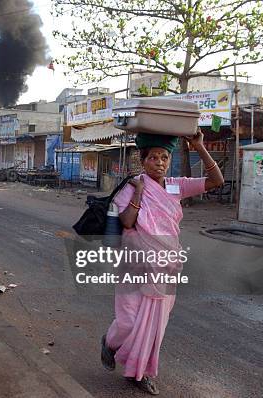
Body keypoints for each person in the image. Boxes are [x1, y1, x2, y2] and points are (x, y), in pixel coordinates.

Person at [100, 131, 224, 395]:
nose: (159, 162)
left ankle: (140, 373)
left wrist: (199, 146)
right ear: (143, 160)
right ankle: (110, 343)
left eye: (164, 157)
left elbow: (216, 181)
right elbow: (127, 222)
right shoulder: (132, 185)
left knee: (154, 326)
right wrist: (140, 192)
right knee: (128, 323)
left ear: (169, 161)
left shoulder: (174, 186)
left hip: (165, 267)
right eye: (153, 157)